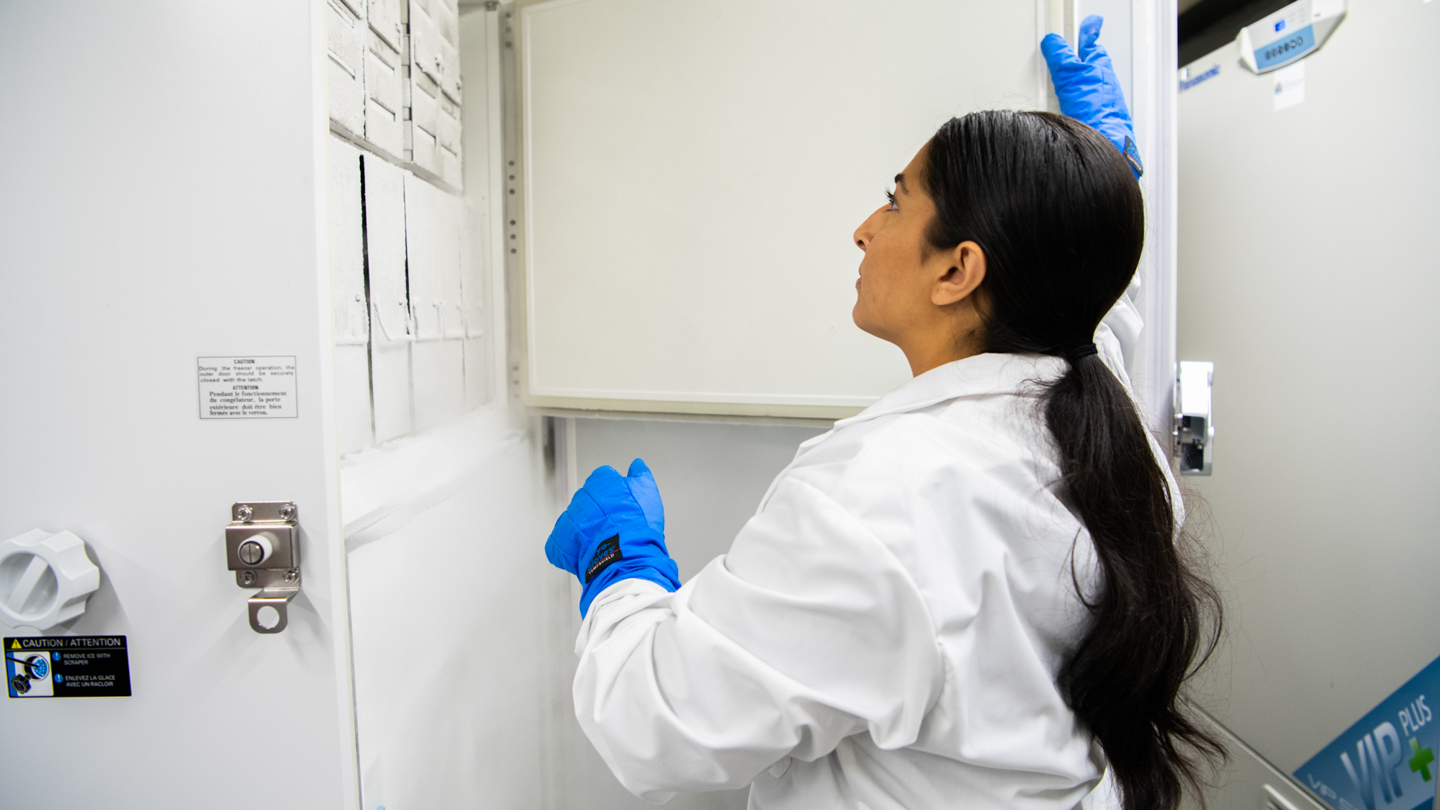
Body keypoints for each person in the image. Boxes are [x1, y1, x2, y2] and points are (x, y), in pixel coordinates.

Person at [544, 17, 1223, 810]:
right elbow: (1102, 319)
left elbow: (654, 723)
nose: (864, 229)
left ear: (959, 271)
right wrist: (1107, 182)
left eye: (896, 202)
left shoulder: (890, 502)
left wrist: (621, 567)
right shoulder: (1112, 433)